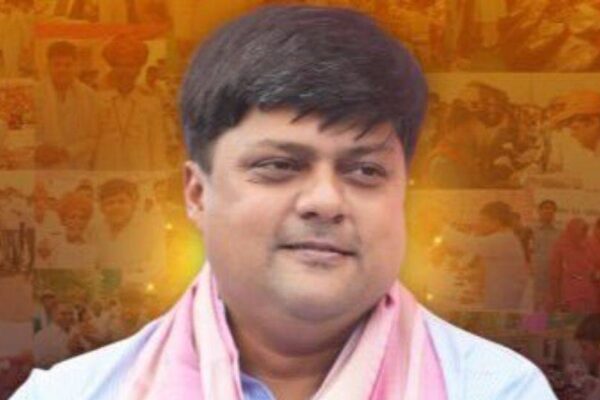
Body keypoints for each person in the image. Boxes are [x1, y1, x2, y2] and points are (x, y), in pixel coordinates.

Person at [12, 5, 556, 399]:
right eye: (279, 165)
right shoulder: (74, 393)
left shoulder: (499, 389)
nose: (325, 201)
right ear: (197, 193)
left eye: (365, 170)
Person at [93, 35, 169, 171]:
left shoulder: (151, 103)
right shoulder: (97, 101)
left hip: (140, 174)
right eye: (119, 65)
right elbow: (91, 144)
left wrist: (158, 178)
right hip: (104, 173)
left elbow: (157, 147)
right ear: (112, 68)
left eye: (130, 66)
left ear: (139, 69)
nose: (125, 71)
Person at [35, 41, 100, 169]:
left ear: (76, 66)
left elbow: (94, 137)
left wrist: (67, 152)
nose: (62, 69)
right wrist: (38, 149)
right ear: (48, 66)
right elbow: (25, 133)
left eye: (68, 65)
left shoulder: (89, 95)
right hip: (41, 168)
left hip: (77, 166)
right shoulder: (33, 93)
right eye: (57, 64)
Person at [548, 218, 599, 313]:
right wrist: (557, 298)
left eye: (585, 231)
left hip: (588, 291)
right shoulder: (561, 245)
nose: (583, 234)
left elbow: (591, 268)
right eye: (582, 231)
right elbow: (555, 274)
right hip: (569, 291)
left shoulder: (587, 245)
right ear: (572, 230)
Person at [531, 199, 562, 310]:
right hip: (536, 272)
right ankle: (535, 321)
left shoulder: (560, 231)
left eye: (551, 209)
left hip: (554, 272)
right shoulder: (531, 230)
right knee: (535, 302)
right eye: (545, 208)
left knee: (553, 302)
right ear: (539, 211)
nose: (548, 211)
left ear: (555, 212)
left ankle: (550, 321)